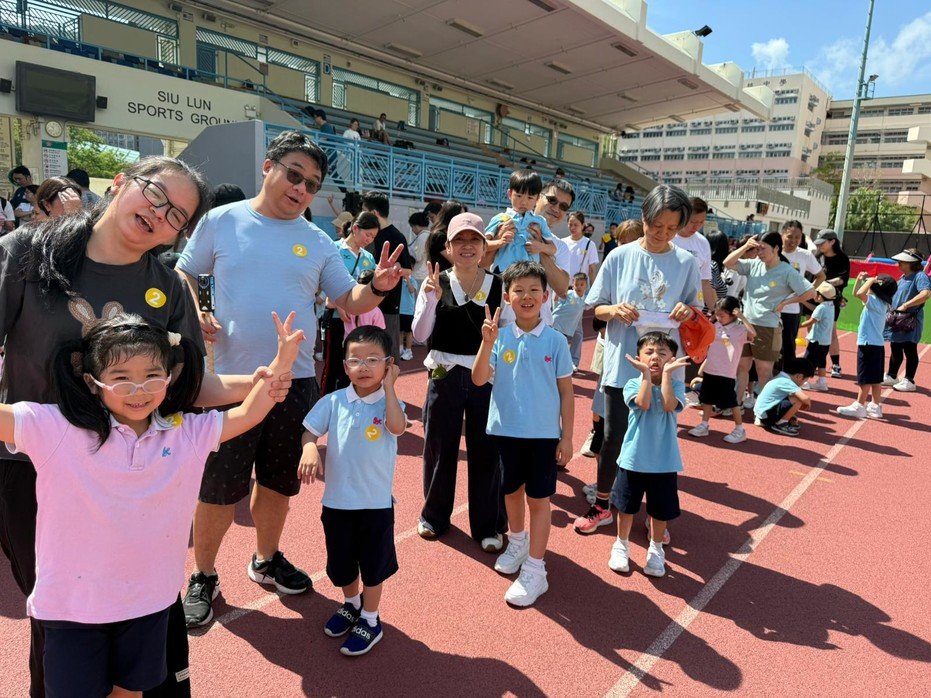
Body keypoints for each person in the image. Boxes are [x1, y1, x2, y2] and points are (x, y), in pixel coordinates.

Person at [0, 155, 288, 697]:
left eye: (177, 215)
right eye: (155, 195)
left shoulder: (168, 287)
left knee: (141, 608)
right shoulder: (27, 253)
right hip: (38, 473)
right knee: (63, 616)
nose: (160, 214)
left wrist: (257, 380)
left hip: (138, 474)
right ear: (120, 182)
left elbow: (188, 387)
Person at [1, 309, 301, 696]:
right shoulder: (56, 428)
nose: (138, 390)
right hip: (72, 608)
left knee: (131, 693)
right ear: (92, 382)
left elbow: (249, 412)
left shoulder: (185, 432)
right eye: (121, 378)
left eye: (151, 376)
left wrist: (282, 363)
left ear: (169, 377)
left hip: (147, 603)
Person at [176, 131, 404, 628]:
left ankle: (265, 559)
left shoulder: (317, 240)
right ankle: (204, 574)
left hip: (294, 382)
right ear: (269, 167)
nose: (300, 188)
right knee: (217, 488)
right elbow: (185, 272)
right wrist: (197, 311)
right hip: (231, 383)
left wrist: (377, 286)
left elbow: (349, 300)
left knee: (278, 483)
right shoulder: (222, 220)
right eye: (293, 175)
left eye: (312, 183)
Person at [577, 184, 700, 536]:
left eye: (672, 228)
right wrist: (614, 309)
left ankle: (655, 513)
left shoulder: (685, 262)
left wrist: (687, 310)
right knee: (613, 436)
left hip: (665, 369)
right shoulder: (619, 256)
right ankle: (603, 503)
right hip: (624, 364)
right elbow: (596, 307)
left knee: (657, 440)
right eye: (656, 225)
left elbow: (696, 310)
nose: (663, 234)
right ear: (643, 218)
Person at [299, 325, 404, 656]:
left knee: (373, 567)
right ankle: (351, 603)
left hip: (375, 505)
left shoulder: (389, 403)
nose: (364, 367)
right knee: (342, 563)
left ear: (388, 365)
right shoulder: (333, 401)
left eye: (373, 359)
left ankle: (370, 619)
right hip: (337, 503)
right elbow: (309, 431)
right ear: (345, 366)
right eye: (356, 360)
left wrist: (390, 389)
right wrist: (309, 448)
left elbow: (397, 426)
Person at [472, 261, 573, 606]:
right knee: (511, 492)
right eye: (519, 290)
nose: (527, 296)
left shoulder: (556, 341)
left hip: (543, 436)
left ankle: (535, 569)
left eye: (534, 290)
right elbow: (478, 379)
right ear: (507, 297)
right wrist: (487, 343)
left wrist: (567, 436)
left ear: (545, 296)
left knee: (539, 500)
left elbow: (566, 392)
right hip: (505, 432)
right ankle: (517, 542)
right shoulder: (499, 337)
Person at [412, 212, 506, 550]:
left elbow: (508, 333)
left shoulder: (499, 285)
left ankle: (488, 525)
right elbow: (420, 335)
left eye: (474, 240)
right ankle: (434, 516)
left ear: (484, 246)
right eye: (459, 240)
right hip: (443, 372)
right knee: (439, 446)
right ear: (448, 247)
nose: (467, 246)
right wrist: (431, 300)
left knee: (487, 450)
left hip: (485, 377)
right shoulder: (434, 282)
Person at [607, 332, 690, 578]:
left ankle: (656, 549)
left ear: (672, 359)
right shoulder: (633, 383)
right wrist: (645, 375)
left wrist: (666, 376)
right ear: (638, 357)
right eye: (649, 352)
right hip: (633, 459)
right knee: (626, 507)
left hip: (664, 462)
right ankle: (621, 545)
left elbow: (668, 404)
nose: (655, 357)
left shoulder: (676, 386)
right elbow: (643, 403)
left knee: (659, 510)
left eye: (662, 353)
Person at [724, 233, 814, 406]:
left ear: (776, 249)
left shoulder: (786, 271)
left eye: (763, 249)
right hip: (745, 324)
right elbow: (727, 262)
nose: (759, 252)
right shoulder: (754, 264)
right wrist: (745, 247)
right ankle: (736, 404)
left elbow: (810, 292)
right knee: (741, 367)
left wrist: (786, 302)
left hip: (768, 327)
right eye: (757, 249)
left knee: (763, 371)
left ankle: (764, 408)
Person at [319, 212, 379, 394]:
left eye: (373, 237)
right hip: (337, 318)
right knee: (334, 364)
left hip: (359, 321)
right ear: (355, 228)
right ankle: (326, 402)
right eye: (367, 234)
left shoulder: (368, 257)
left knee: (354, 364)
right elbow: (323, 281)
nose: (369, 239)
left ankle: (350, 401)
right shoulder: (334, 249)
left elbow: (370, 288)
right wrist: (340, 304)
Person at [688, 296, 755, 444]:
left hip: (726, 372)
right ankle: (704, 425)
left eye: (722, 315)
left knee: (731, 402)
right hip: (711, 369)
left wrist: (742, 317)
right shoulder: (716, 325)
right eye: (716, 314)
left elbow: (753, 334)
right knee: (706, 399)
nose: (718, 317)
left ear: (733, 314)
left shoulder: (739, 330)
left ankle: (740, 430)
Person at [361, 191, 413, 362]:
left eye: (365, 211)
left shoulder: (396, 236)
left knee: (388, 355)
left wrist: (395, 270)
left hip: (388, 305)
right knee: (366, 354)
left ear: (374, 213)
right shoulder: (367, 235)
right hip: (364, 301)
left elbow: (408, 270)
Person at [837, 273, 898, 419]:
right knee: (875, 378)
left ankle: (859, 405)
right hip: (876, 345)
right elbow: (856, 293)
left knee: (865, 377)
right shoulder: (881, 303)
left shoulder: (875, 302)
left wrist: (870, 280)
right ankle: (875, 406)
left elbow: (859, 294)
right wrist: (860, 280)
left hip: (868, 344)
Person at [483, 169, 554, 274]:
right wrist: (499, 242)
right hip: (503, 274)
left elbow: (553, 249)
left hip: (531, 275)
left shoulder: (540, 221)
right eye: (519, 195)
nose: (524, 202)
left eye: (530, 197)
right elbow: (483, 245)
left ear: (537, 198)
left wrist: (541, 247)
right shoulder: (500, 218)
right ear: (510, 194)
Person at [882, 249, 930, 392]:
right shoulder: (902, 277)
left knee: (910, 349)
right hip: (897, 319)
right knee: (895, 347)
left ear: (911, 262)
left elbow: (926, 293)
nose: (899, 263)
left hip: (910, 320)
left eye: (902, 261)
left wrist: (906, 305)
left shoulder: (920, 276)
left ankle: (909, 380)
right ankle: (892, 376)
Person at [780, 221, 825, 357]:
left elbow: (821, 276)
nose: (793, 240)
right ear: (782, 235)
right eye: (790, 236)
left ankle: (787, 370)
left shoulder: (805, 255)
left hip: (791, 310)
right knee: (769, 349)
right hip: (771, 308)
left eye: (797, 237)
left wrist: (808, 291)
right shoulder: (773, 252)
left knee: (788, 348)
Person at [813, 230, 850, 377]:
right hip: (814, 297)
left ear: (832, 242)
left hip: (831, 300)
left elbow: (843, 279)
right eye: (818, 243)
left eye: (822, 243)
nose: (820, 246)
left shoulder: (842, 258)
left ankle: (835, 364)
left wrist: (825, 284)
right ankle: (813, 362)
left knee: (831, 331)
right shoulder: (817, 257)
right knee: (812, 330)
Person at [673, 197, 716, 312]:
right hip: (667, 302)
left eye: (701, 222)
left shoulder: (703, 242)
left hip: (690, 308)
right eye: (692, 222)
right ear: (683, 216)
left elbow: (705, 281)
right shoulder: (668, 237)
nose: (696, 226)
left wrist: (715, 310)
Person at [752, 357, 814, 436]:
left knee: (792, 397)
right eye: (805, 381)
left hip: (761, 414)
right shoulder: (786, 382)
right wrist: (807, 403)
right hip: (766, 417)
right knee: (797, 399)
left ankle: (778, 419)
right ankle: (781, 424)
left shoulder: (780, 377)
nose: (803, 383)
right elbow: (805, 398)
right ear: (799, 376)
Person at [800, 282, 837, 392]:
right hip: (825, 341)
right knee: (821, 362)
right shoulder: (831, 305)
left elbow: (811, 321)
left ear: (820, 296)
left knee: (807, 361)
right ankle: (822, 382)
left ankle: (804, 382)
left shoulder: (821, 307)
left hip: (816, 340)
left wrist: (798, 326)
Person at [551, 273, 588, 368]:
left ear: (586, 285)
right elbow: (556, 298)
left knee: (578, 337)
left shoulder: (586, 297)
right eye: (576, 284)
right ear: (573, 284)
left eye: (582, 284)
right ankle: (557, 363)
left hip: (574, 323)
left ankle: (573, 362)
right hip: (560, 323)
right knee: (561, 343)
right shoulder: (569, 294)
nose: (579, 287)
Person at [704, 229, 731, 301]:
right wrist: (716, 307)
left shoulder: (707, 263)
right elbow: (709, 292)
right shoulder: (712, 266)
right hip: (707, 308)